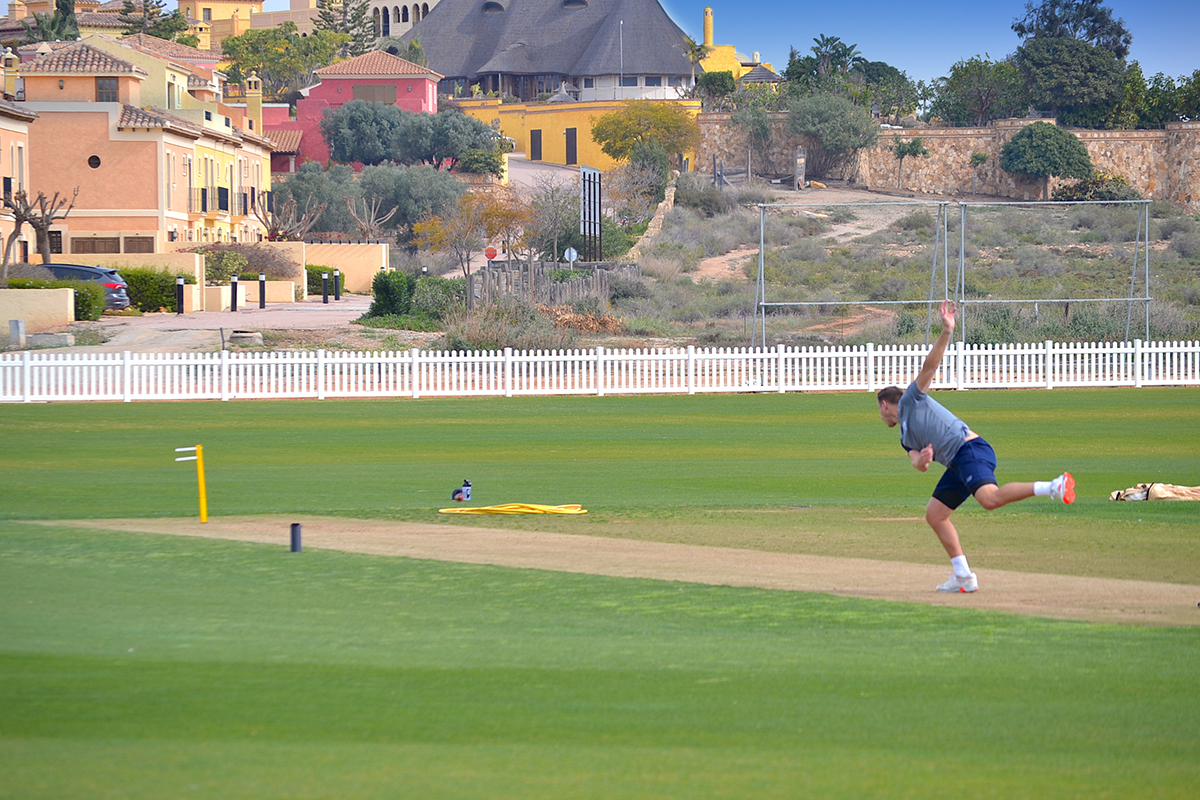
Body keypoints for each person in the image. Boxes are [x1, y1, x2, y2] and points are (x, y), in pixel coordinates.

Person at [876, 299, 1074, 593]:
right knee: (935, 515)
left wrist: (947, 330)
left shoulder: (910, 400)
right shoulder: (905, 437)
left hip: (971, 450)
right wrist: (924, 461)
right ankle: (963, 575)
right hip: (957, 462)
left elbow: (930, 367)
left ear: (884, 405)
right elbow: (917, 463)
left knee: (989, 500)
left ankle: (1053, 487)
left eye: (879, 411)